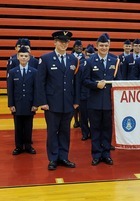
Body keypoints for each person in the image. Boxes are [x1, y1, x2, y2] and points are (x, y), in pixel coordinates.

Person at [36, 30, 80, 170]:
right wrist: (42, 102)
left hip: (68, 103)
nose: (64, 44)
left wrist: (76, 100)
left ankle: (64, 157)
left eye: (66, 42)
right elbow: (40, 82)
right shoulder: (46, 58)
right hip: (52, 104)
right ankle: (53, 158)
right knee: (52, 132)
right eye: (61, 41)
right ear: (55, 42)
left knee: (65, 132)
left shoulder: (73, 59)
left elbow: (76, 82)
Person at [82, 33, 122, 166]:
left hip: (109, 102)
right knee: (95, 129)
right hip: (94, 101)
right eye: (101, 45)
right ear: (97, 46)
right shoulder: (90, 61)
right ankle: (96, 154)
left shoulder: (114, 61)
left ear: (109, 45)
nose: (104, 47)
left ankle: (106, 154)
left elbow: (119, 81)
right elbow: (85, 81)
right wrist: (95, 85)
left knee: (107, 129)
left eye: (106, 45)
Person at [7, 46, 38, 155]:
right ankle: (19, 146)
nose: (24, 58)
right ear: (17, 57)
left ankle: (28, 145)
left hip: (30, 104)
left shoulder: (34, 72)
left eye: (26, 56)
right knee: (18, 126)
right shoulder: (12, 72)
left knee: (29, 126)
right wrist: (11, 104)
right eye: (21, 56)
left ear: (29, 58)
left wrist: (35, 103)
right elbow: (10, 89)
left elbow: (36, 89)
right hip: (17, 104)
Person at [71, 40, 85, 129]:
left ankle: (81, 121)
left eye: (80, 46)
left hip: (82, 84)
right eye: (77, 46)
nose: (79, 47)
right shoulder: (70, 57)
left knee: (81, 105)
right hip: (72, 83)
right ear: (73, 47)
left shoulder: (85, 58)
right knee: (74, 105)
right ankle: (75, 121)